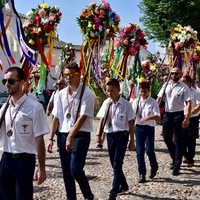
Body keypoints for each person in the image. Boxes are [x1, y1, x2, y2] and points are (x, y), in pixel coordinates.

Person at [47, 62, 94, 200]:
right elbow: (56, 117)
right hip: (62, 134)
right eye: (65, 75)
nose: (68, 78)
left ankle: (88, 195)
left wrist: (71, 136)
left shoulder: (87, 93)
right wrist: (50, 138)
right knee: (66, 172)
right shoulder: (60, 94)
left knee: (75, 169)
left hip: (80, 135)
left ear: (78, 75)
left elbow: (83, 116)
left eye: (71, 75)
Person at [0, 66, 49, 200]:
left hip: (24, 160)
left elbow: (40, 140)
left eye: (11, 81)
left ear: (22, 83)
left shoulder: (35, 107)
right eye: (4, 81)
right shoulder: (4, 108)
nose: (7, 85)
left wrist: (42, 168)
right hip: (6, 159)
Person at [96, 78, 135, 200]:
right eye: (108, 91)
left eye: (112, 91)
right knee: (114, 163)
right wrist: (99, 135)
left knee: (118, 164)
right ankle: (124, 185)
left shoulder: (126, 105)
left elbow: (130, 123)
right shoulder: (107, 103)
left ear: (118, 89)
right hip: (110, 135)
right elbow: (102, 119)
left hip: (122, 136)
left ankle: (113, 192)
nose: (110, 93)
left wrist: (132, 141)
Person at [157, 67, 191, 176]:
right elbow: (159, 98)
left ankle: (177, 165)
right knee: (166, 137)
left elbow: (188, 103)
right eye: (172, 73)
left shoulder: (184, 87)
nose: (173, 75)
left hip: (178, 114)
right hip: (167, 114)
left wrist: (187, 118)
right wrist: (156, 111)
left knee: (178, 140)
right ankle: (174, 156)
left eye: (176, 73)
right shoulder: (166, 85)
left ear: (180, 74)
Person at [132, 81, 160, 183]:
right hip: (138, 128)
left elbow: (157, 116)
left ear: (148, 91)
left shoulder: (153, 102)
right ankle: (142, 173)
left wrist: (148, 117)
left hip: (149, 128)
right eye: (141, 92)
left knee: (149, 150)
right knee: (139, 152)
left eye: (145, 92)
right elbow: (132, 115)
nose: (143, 94)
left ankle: (154, 166)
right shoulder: (136, 101)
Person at [181, 75, 200, 167]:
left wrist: (190, 113)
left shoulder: (195, 92)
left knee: (191, 139)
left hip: (192, 118)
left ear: (189, 82)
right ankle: (184, 154)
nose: (182, 83)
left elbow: (199, 105)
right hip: (181, 117)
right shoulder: (180, 91)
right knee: (181, 138)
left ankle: (190, 158)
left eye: (184, 81)